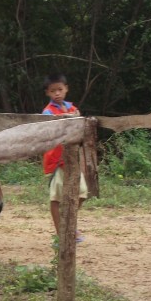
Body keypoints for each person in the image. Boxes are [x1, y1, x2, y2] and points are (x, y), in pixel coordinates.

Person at [42, 73, 88, 242]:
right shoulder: (48, 112)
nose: (57, 94)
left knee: (81, 193)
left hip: (71, 160)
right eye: (53, 91)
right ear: (48, 92)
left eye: (60, 89)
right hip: (56, 161)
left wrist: (76, 117)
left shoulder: (72, 109)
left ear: (66, 89)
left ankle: (69, 225)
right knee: (56, 198)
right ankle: (62, 233)